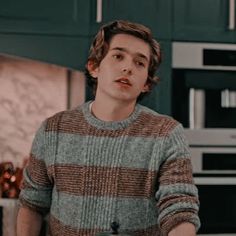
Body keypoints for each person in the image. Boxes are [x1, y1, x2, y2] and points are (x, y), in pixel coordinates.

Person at [17, 20, 200, 236]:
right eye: (118, 56)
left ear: (146, 83)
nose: (128, 67)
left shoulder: (166, 134)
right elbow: (32, 204)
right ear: (94, 67)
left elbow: (179, 210)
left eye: (140, 63)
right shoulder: (53, 130)